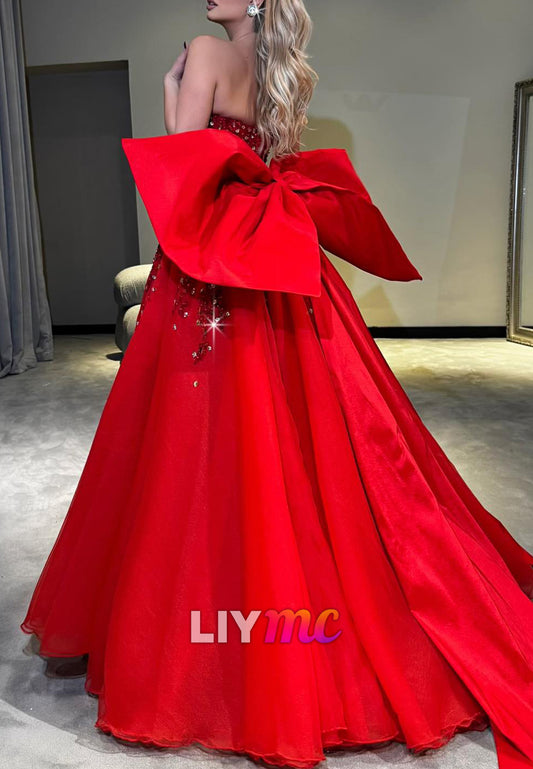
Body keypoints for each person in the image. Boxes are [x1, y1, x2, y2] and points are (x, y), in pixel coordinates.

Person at [20, 1, 533, 767]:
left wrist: (170, 96)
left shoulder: (203, 52)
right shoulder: (279, 72)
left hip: (210, 272)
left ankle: (204, 644)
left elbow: (182, 184)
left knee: (193, 448)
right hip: (280, 269)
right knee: (300, 436)